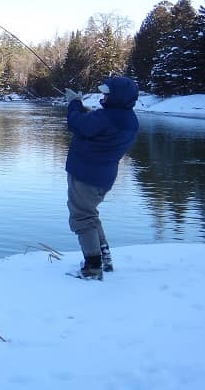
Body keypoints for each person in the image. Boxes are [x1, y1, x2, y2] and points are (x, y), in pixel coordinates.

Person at [64, 76, 140, 280]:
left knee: (82, 218)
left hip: (85, 176)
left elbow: (77, 124)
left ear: (117, 96)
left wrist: (74, 103)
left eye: (107, 93)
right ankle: (104, 259)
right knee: (90, 214)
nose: (103, 96)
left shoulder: (106, 118)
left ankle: (92, 268)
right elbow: (98, 129)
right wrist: (86, 111)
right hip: (102, 177)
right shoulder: (129, 119)